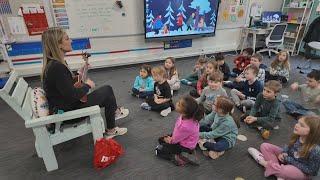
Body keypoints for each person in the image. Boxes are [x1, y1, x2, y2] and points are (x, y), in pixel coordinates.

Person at [41, 27, 128, 138]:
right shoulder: (57, 67)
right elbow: (73, 95)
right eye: (67, 39)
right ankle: (112, 120)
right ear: (59, 45)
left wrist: (80, 73)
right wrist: (87, 85)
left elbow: (65, 86)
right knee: (107, 91)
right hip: (68, 112)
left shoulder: (53, 64)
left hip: (63, 108)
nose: (71, 41)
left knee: (107, 92)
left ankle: (114, 114)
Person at [248, 115, 320, 180]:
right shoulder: (298, 136)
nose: (296, 125)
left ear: (312, 132)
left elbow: (312, 171)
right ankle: (279, 173)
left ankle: (262, 161)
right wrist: (284, 152)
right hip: (288, 160)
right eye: (298, 122)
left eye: (302, 125)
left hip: (300, 171)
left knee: (285, 170)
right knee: (265, 146)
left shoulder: (315, 150)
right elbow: (288, 145)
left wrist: (289, 159)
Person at [155, 95, 204, 166]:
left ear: (185, 112)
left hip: (184, 146)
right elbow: (178, 133)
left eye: (179, 104)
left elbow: (175, 139)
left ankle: (177, 157)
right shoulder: (189, 116)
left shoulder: (184, 126)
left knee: (158, 150)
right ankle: (185, 153)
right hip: (184, 139)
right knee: (161, 140)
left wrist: (170, 140)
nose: (177, 103)